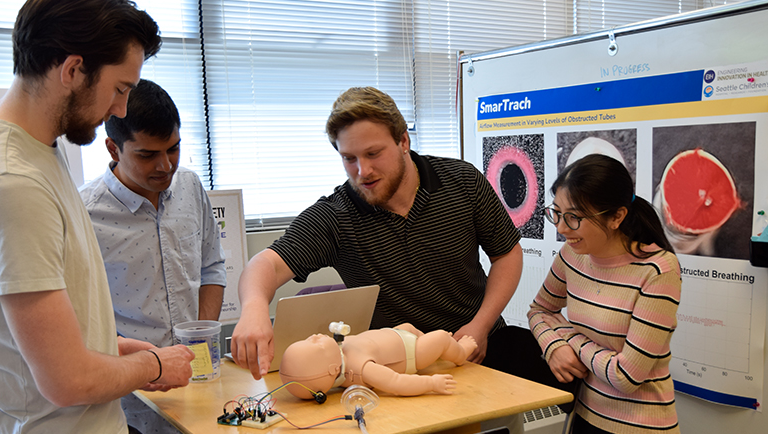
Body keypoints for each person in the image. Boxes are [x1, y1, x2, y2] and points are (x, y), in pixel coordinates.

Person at [0, 1, 196, 434]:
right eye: (119, 88)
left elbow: (42, 333)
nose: (122, 106)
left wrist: (112, 347)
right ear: (72, 70)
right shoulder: (7, 180)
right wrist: (155, 366)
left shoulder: (40, 144)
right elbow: (63, 379)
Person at [231, 87, 556, 396]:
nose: (363, 171)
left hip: (480, 348)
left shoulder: (462, 182)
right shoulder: (335, 216)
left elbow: (507, 254)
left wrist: (480, 325)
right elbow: (267, 265)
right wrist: (254, 309)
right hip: (399, 370)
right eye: (349, 158)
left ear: (403, 140)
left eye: (374, 153)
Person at [81, 78, 226, 434]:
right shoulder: (84, 215)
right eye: (147, 155)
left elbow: (211, 268)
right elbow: (81, 320)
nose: (165, 165)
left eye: (174, 149)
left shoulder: (188, 186)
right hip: (130, 408)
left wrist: (204, 337)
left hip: (195, 392)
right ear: (112, 148)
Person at [527, 154, 681, 434]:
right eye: (556, 213)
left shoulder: (657, 269)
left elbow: (629, 375)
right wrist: (553, 346)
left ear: (616, 217)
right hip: (589, 423)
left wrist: (571, 340)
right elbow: (539, 310)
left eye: (574, 218)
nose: (561, 229)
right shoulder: (572, 257)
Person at [279, 323, 476, 399]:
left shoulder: (339, 351)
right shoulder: (361, 370)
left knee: (413, 329)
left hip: (399, 333)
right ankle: (460, 353)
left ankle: (441, 348)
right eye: (315, 344)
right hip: (411, 353)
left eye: (307, 339)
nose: (313, 335)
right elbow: (396, 383)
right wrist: (431, 383)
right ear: (332, 369)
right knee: (440, 337)